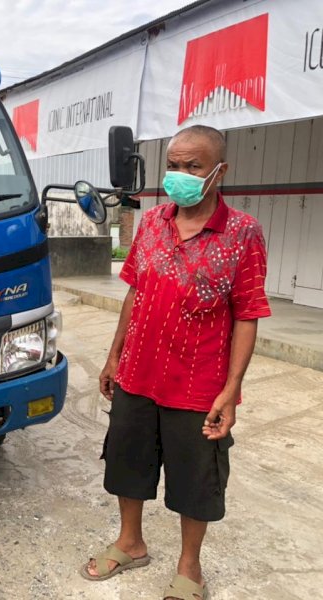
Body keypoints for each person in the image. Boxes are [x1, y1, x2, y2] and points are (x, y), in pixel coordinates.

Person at [80, 125, 271, 600]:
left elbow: (247, 315)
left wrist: (231, 391)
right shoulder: (152, 222)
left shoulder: (242, 233)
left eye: (193, 167)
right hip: (137, 374)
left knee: (197, 477)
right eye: (173, 165)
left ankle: (190, 567)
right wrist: (114, 355)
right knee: (127, 460)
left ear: (219, 172)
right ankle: (131, 541)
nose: (179, 175)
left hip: (198, 382)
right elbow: (135, 291)